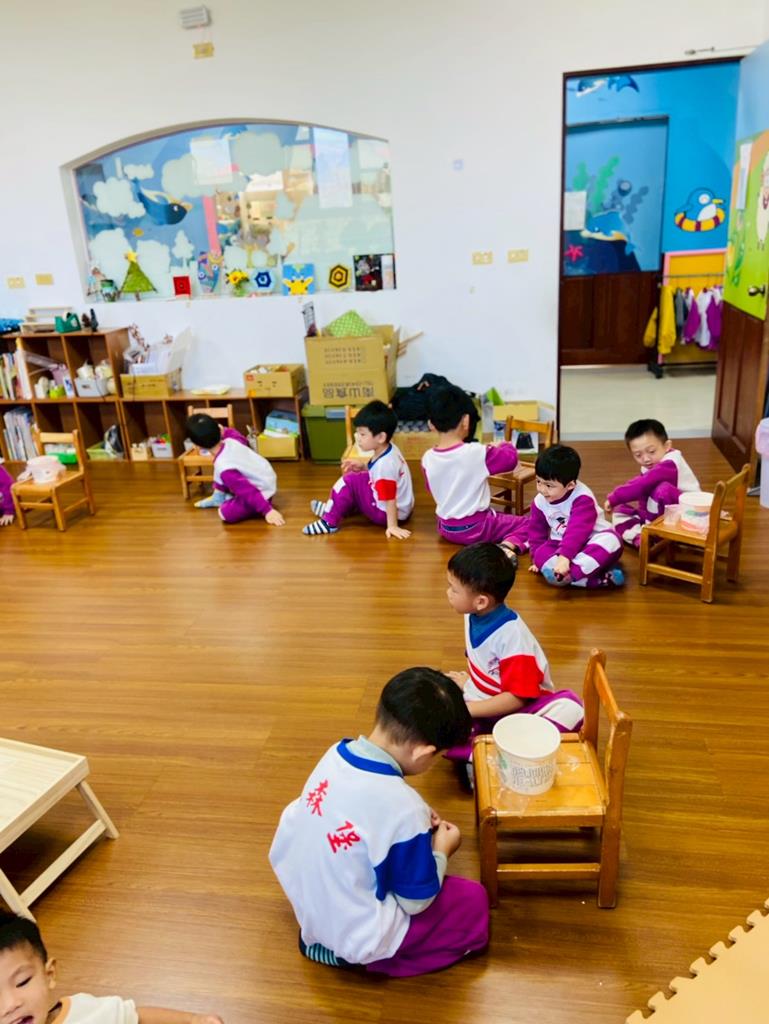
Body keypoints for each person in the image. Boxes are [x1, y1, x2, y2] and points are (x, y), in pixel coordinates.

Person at [269, 667, 489, 977]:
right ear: (423, 752)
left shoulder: (335, 753)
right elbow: (416, 902)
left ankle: (327, 939)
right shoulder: (405, 808)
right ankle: (361, 958)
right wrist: (442, 850)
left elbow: (361, 807)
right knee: (472, 901)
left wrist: (412, 816)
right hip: (359, 932)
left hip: (310, 899)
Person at [443, 543, 583, 773]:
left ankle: (489, 759)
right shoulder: (472, 615)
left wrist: (468, 709)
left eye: (453, 589)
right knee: (437, 706)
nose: (448, 593)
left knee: (571, 707)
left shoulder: (512, 637)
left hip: (522, 709)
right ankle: (491, 754)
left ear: (481, 601)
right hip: (488, 700)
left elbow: (518, 698)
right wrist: (470, 683)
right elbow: (486, 664)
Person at [0, 911, 222, 1024]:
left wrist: (192, 1020)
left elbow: (134, 1016)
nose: (10, 1005)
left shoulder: (87, 1012)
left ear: (49, 974)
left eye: (22, 982)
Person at [421, 385, 527, 558]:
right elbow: (510, 460)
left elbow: (430, 487)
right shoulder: (476, 452)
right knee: (529, 524)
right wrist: (503, 445)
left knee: (499, 518)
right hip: (477, 528)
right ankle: (507, 547)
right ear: (466, 421)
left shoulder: (427, 458)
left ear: (431, 424)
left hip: (446, 528)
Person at [303, 400, 414, 538]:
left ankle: (329, 521)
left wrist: (392, 526)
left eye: (362, 434)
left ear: (381, 437)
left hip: (387, 514)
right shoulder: (389, 449)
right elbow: (379, 474)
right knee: (358, 480)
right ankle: (333, 509)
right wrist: (363, 466)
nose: (358, 438)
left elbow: (389, 498)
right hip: (401, 510)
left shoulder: (384, 465)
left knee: (348, 482)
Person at [528, 445, 624, 589]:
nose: (542, 489)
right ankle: (593, 578)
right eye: (538, 481)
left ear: (570, 485)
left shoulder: (582, 498)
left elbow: (577, 531)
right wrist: (536, 559)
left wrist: (565, 557)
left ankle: (565, 576)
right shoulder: (539, 502)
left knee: (613, 540)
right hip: (560, 544)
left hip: (591, 541)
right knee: (540, 553)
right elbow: (536, 532)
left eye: (549, 485)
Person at [604, 418, 700, 548]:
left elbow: (641, 485)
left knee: (663, 490)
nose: (646, 459)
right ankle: (642, 537)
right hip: (664, 513)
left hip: (688, 515)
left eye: (651, 452)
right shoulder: (651, 465)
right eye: (638, 455)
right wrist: (643, 517)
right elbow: (644, 492)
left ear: (667, 446)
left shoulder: (670, 463)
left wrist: (615, 497)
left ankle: (653, 535)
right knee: (620, 510)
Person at [185, 413, 284, 526]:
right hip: (266, 477)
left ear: (198, 446)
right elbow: (239, 437)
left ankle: (225, 499)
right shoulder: (232, 440)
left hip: (262, 492)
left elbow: (247, 490)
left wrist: (267, 511)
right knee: (220, 470)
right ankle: (219, 496)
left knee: (225, 513)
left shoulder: (224, 467)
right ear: (220, 429)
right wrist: (225, 431)